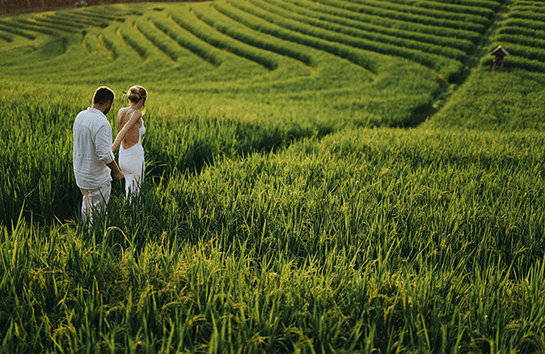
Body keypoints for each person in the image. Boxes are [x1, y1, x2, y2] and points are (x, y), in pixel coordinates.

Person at [73, 86, 124, 224]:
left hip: (80, 174)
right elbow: (105, 155)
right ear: (108, 103)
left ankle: (84, 233)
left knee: (87, 203)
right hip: (95, 177)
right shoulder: (101, 123)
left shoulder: (80, 116)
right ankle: (93, 240)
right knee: (98, 214)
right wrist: (117, 172)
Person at [112, 85, 147, 201]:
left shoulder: (121, 111)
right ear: (142, 100)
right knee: (136, 192)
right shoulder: (136, 114)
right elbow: (124, 130)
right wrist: (111, 150)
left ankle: (126, 213)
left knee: (129, 188)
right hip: (135, 157)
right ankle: (133, 216)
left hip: (123, 156)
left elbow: (120, 130)